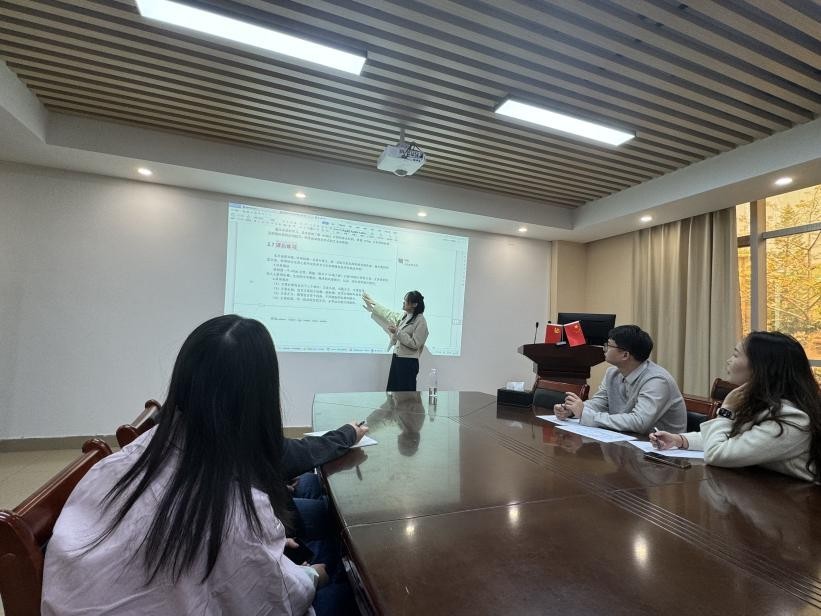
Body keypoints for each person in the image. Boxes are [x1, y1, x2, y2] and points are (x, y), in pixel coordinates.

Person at [41, 316, 334, 615]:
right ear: (260, 399)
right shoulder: (237, 513)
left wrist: (260, 549)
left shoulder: (119, 463)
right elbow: (278, 602)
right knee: (340, 574)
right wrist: (313, 575)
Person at [650, 331, 821, 482]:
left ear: (759, 367)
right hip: (766, 491)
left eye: (735, 355)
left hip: (798, 501)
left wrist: (726, 410)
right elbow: (734, 438)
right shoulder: (763, 404)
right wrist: (680, 440)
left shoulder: (790, 419)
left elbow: (717, 453)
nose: (729, 361)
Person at [554, 324, 686, 434]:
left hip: (660, 449)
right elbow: (600, 403)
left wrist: (586, 414)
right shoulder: (612, 373)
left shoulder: (657, 381)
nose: (604, 349)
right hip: (626, 440)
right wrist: (572, 410)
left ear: (625, 355)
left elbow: (639, 422)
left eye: (609, 345)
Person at [362, 290, 429, 391]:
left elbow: (415, 343)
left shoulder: (421, 321)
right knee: (393, 391)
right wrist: (374, 304)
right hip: (397, 358)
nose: (403, 302)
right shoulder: (405, 316)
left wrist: (397, 332)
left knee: (405, 393)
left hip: (408, 362)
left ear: (414, 304)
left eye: (406, 301)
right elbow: (389, 314)